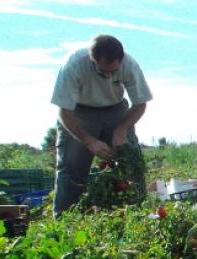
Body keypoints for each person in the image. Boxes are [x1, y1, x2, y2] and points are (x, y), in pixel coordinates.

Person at [50, 34, 152, 216]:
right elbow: (64, 112)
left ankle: (136, 214)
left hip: (115, 110)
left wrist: (121, 130)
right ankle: (64, 222)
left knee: (129, 162)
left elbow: (140, 104)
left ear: (121, 60)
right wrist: (90, 142)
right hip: (79, 112)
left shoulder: (129, 65)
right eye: (104, 71)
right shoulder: (74, 65)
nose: (109, 76)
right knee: (71, 168)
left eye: (114, 72)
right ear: (92, 60)